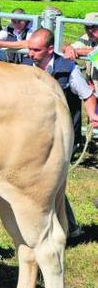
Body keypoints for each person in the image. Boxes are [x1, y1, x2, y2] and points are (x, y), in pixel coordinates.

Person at [23, 28, 98, 238]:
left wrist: (93, 114)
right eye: (29, 49)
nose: (30, 54)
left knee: (53, 182)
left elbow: (88, 94)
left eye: (36, 50)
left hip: (65, 135)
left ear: (49, 49)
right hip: (36, 134)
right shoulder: (26, 67)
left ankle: (66, 227)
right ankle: (64, 226)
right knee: (48, 181)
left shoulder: (68, 69)